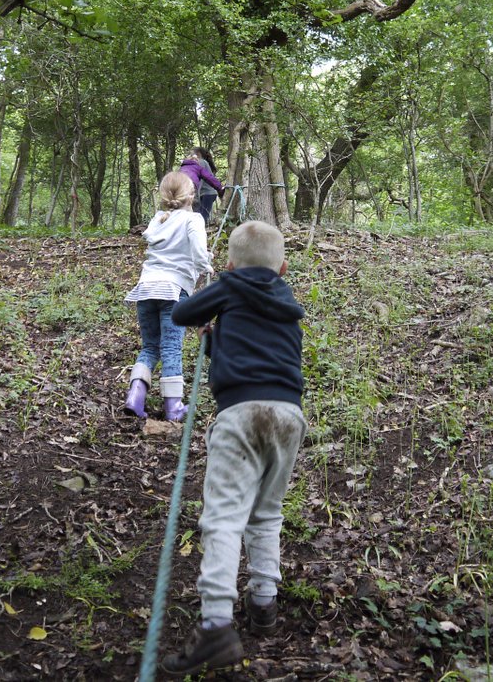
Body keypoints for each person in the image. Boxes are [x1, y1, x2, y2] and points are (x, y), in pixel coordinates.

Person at [160, 220, 307, 676]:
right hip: (288, 415)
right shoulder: (287, 302)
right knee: (266, 511)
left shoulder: (228, 285)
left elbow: (182, 315)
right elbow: (259, 351)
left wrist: (214, 304)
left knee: (223, 517)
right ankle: (264, 601)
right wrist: (218, 341)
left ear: (228, 264)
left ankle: (216, 626)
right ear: (283, 268)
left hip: (240, 413)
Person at [123, 171, 213, 422]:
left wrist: (203, 259)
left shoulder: (158, 220)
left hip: (146, 289)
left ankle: (135, 397)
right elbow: (197, 252)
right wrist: (206, 265)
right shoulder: (194, 219)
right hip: (173, 291)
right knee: (171, 346)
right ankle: (173, 406)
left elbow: (170, 248)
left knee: (150, 346)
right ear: (192, 196)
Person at [178, 147, 225, 223]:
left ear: (198, 154)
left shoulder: (200, 162)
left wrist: (220, 188)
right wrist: (220, 188)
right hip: (200, 193)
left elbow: (205, 180)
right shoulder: (190, 164)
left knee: (202, 216)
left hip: (207, 193)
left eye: (191, 153)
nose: (190, 155)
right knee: (199, 215)